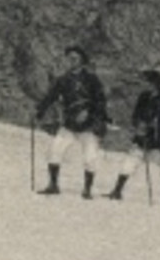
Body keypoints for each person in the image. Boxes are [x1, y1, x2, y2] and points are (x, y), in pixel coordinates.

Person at [33, 45, 108, 198]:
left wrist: (89, 113)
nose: (71, 61)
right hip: (69, 124)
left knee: (90, 158)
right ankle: (53, 185)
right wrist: (39, 112)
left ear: (82, 61)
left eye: (75, 58)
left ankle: (87, 189)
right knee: (54, 151)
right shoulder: (63, 80)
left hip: (88, 125)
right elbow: (51, 97)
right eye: (69, 58)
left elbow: (100, 101)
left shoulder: (92, 79)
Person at [107, 70, 160, 207]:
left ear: (155, 84)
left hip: (159, 142)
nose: (144, 84)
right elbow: (135, 115)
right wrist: (139, 125)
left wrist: (157, 125)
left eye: (147, 81)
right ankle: (117, 191)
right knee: (128, 164)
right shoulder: (143, 97)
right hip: (141, 138)